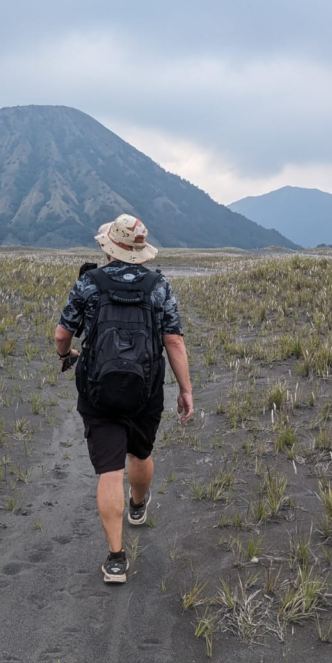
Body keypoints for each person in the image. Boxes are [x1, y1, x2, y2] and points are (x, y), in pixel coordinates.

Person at [54, 214, 193, 583]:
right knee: (140, 454)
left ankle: (116, 559)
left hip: (98, 391)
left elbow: (61, 334)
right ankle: (137, 506)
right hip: (145, 390)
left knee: (110, 472)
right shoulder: (158, 286)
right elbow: (174, 340)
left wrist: (65, 355)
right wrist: (185, 390)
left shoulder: (89, 283)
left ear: (109, 248)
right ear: (140, 252)